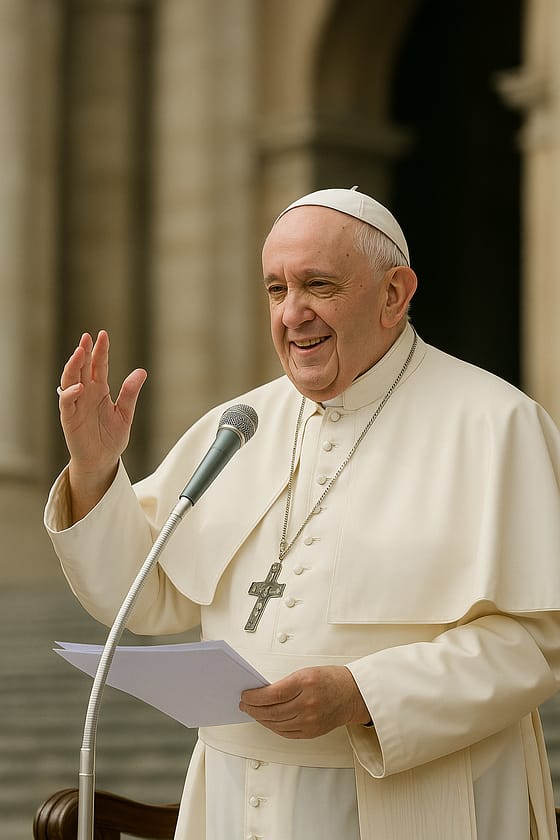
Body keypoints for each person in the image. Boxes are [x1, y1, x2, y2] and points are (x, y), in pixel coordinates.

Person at [45, 187, 560, 840]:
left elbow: (536, 644)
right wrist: (95, 472)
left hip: (416, 802)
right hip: (235, 799)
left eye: (317, 284)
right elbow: (145, 599)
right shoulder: (240, 425)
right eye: (275, 290)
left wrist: (363, 694)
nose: (293, 314)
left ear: (395, 294)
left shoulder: (495, 423)